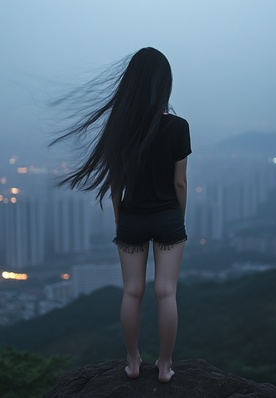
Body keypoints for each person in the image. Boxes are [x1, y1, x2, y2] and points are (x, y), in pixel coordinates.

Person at [51, 47, 191, 383]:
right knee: (166, 292)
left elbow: (116, 185)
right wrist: (178, 218)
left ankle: (131, 362)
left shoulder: (120, 127)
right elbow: (180, 182)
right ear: (164, 85)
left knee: (131, 291)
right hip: (168, 216)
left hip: (131, 218)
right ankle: (165, 366)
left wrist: (119, 217)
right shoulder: (178, 127)